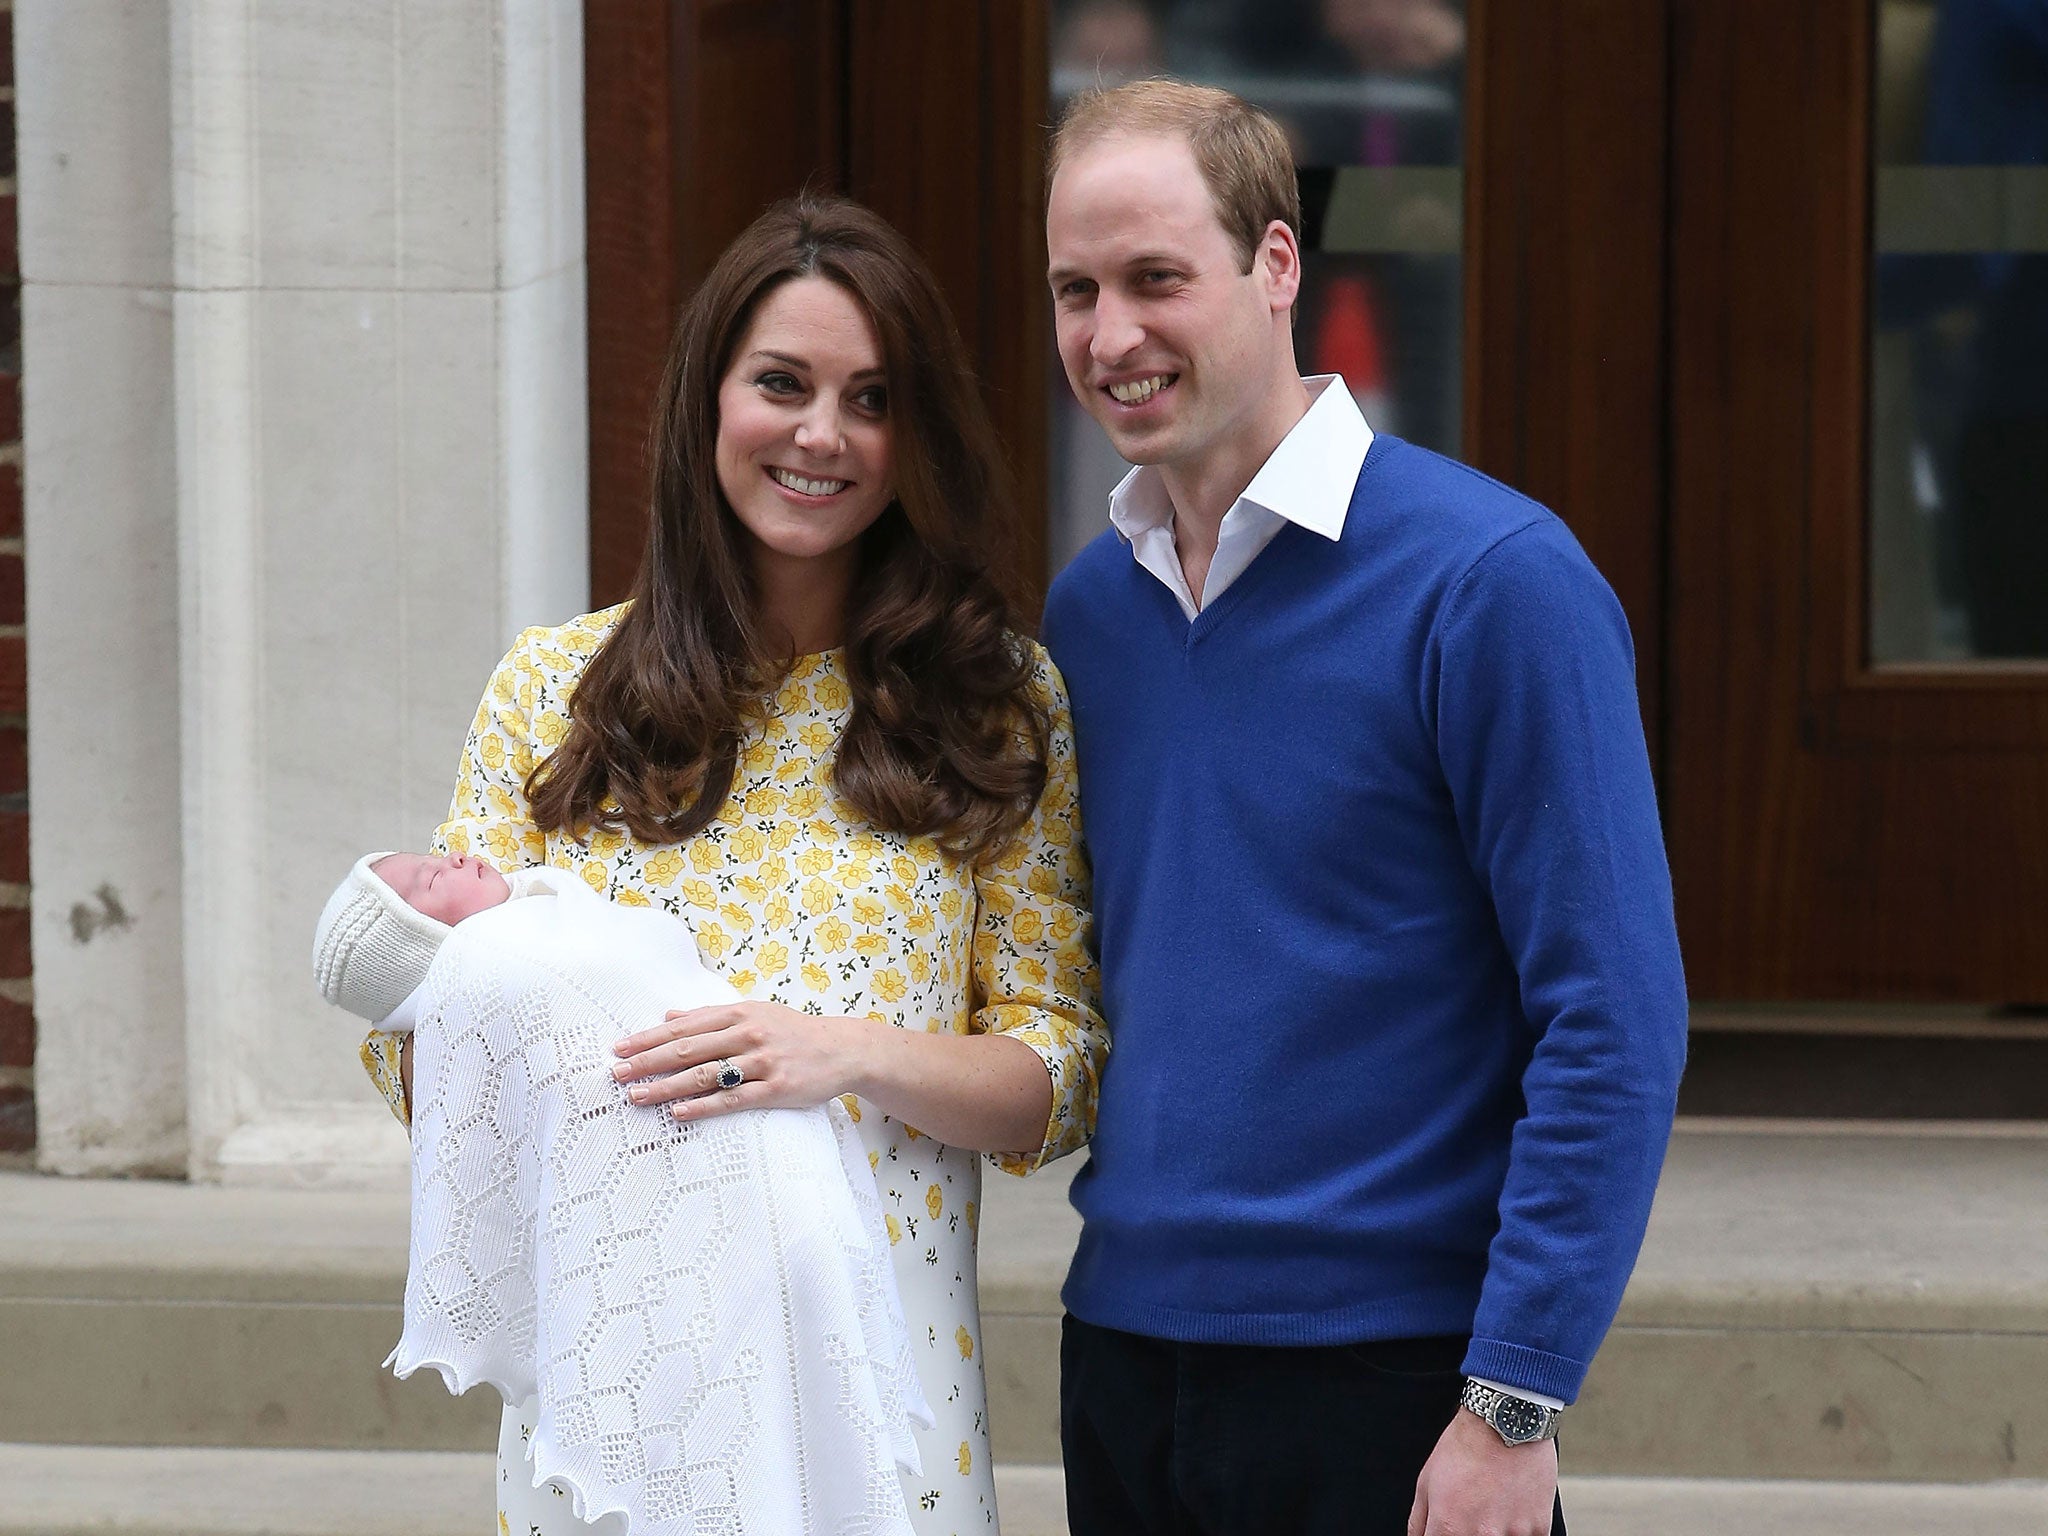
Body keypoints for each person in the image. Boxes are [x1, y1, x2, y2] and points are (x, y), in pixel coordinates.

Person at [356, 194, 1107, 1536]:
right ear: (709, 401)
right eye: (783, 383)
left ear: (910, 436)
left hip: (883, 1394)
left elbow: (1056, 1077)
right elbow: (427, 1060)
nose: (822, 434)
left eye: (870, 398)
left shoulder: (996, 704)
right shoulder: (553, 691)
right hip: (624, 1395)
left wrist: (844, 1053)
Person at [1039, 79, 1687, 1536]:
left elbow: (1614, 1016)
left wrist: (1514, 1401)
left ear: (1277, 266)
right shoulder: (1090, 616)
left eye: (1157, 279)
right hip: (1126, 1364)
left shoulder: (1495, 583)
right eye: (1075, 289)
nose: (1111, 335)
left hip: (1397, 1392)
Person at [315, 848, 930, 1534]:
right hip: (682, 1240)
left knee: (804, 1421)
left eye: (434, 858)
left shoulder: (562, 921)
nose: (452, 855)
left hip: (791, 1194)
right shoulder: (497, 960)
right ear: (422, 944)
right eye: (427, 882)